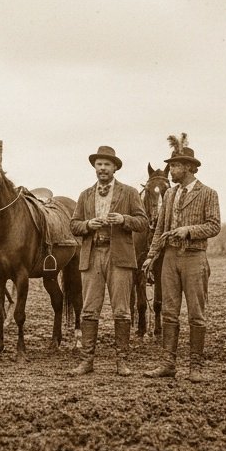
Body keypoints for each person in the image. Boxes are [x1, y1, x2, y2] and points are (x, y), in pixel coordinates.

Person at [142, 140, 220, 382]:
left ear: (188, 168)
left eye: (175, 166)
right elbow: (159, 230)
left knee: (196, 314)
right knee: (169, 313)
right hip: (169, 258)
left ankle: (195, 367)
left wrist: (188, 230)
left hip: (194, 258)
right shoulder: (170, 194)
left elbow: (214, 225)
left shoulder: (208, 193)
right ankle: (168, 364)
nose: (171, 170)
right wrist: (151, 256)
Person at [68, 145, 148, 376]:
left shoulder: (129, 193)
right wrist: (87, 225)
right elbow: (73, 225)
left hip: (119, 257)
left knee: (122, 311)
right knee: (89, 310)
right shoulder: (85, 195)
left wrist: (124, 219)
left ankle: (121, 362)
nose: (102, 168)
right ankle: (87, 362)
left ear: (115, 168)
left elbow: (143, 222)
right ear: (95, 167)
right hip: (92, 256)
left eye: (107, 165)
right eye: (99, 164)